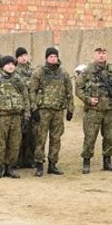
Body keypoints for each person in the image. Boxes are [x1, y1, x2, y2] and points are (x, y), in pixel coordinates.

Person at [76, 45, 112, 174]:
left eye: (103, 53)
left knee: (108, 136)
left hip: (108, 110)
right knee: (90, 136)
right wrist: (88, 99)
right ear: (94, 56)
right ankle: (86, 163)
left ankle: (107, 162)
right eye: (99, 53)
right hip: (93, 110)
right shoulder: (87, 71)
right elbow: (78, 88)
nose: (101, 55)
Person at [30, 46, 74, 176]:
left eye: (55, 56)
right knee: (40, 138)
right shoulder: (39, 72)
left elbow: (69, 92)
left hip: (58, 111)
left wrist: (70, 109)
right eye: (51, 56)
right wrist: (34, 109)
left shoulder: (63, 74)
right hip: (43, 111)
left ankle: (53, 164)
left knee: (56, 138)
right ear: (46, 58)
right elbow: (32, 91)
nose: (53, 58)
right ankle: (39, 164)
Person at [0, 55, 31, 178]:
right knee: (0, 143)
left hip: (16, 117)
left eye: (12, 64)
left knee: (15, 143)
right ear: (3, 66)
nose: (11, 66)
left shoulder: (18, 80)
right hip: (2, 117)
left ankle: (10, 167)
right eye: (8, 64)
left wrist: (27, 115)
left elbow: (26, 97)